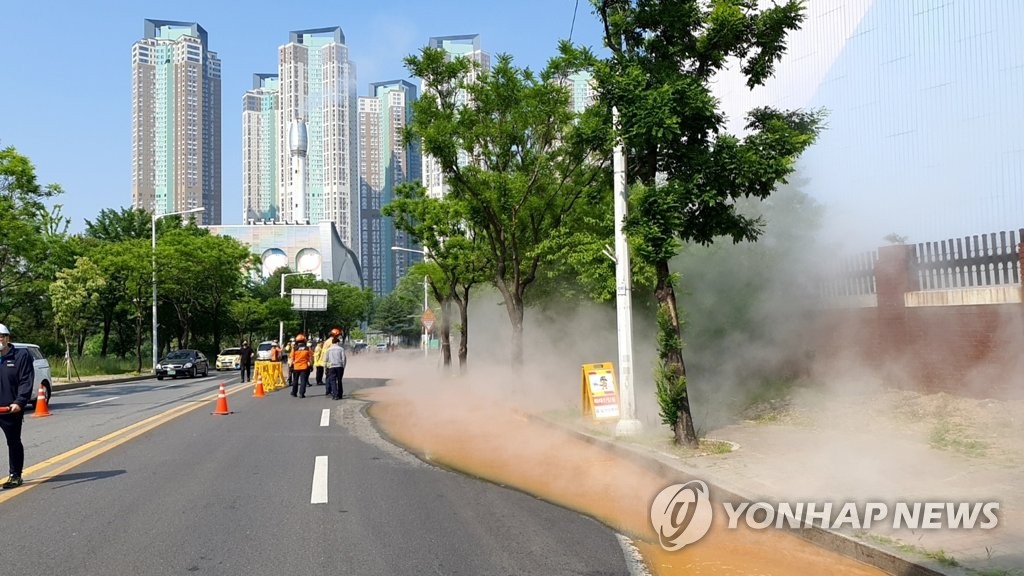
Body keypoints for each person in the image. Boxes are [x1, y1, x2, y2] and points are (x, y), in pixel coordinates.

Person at [0, 323, 34, 489]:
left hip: (9, 409)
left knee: (13, 441)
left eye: (2, 336)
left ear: (7, 338)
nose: (0, 339)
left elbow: (26, 380)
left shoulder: (21, 356)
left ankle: (15, 475)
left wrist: (19, 402)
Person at [289, 334, 312, 398]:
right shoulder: (307, 348)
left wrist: (291, 366)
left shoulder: (294, 348)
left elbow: (292, 358)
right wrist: (311, 366)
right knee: (303, 380)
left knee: (295, 380)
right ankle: (302, 393)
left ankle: (294, 392)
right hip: (304, 367)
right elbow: (310, 358)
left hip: (296, 367)